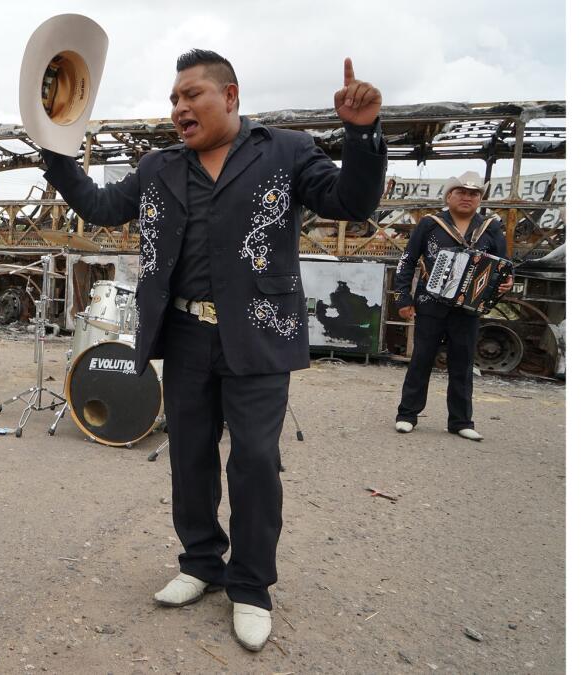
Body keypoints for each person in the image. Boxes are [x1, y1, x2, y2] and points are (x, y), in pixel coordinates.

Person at [39, 51, 387, 650]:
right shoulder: (158, 166)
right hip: (184, 335)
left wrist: (361, 134)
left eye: (191, 95)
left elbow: (351, 203)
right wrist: (52, 147)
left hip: (258, 330)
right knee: (190, 455)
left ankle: (251, 586)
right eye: (173, 99)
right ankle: (201, 562)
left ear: (230, 95)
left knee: (253, 458)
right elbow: (99, 207)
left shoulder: (285, 152)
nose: (179, 109)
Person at [392, 171, 514, 441]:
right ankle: (407, 415)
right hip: (430, 303)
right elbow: (407, 261)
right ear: (449, 196)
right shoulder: (430, 224)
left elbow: (504, 266)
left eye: (473, 194)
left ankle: (461, 421)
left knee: (463, 363)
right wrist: (403, 297)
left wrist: (506, 283)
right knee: (421, 359)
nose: (467, 197)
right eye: (461, 192)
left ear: (480, 199)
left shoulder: (490, 227)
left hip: (468, 309)